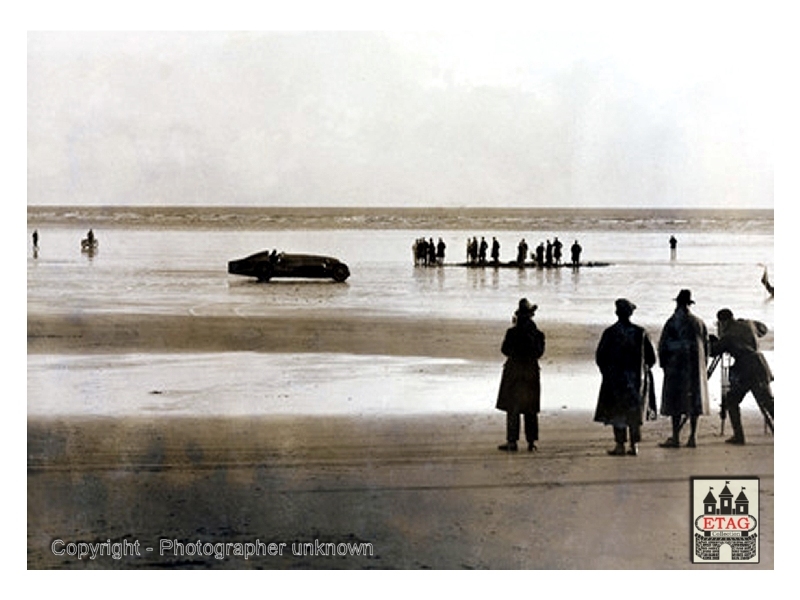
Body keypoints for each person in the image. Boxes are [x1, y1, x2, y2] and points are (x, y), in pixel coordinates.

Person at [594, 299, 656, 456]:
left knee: (618, 412)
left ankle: (620, 445)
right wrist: (644, 370)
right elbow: (652, 358)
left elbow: (600, 357)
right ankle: (634, 445)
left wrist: (606, 373)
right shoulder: (641, 332)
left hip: (615, 379)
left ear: (617, 313)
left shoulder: (610, 333)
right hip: (636, 379)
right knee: (634, 412)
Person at [709, 309, 774, 445]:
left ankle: (739, 436)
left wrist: (714, 340)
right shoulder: (748, 323)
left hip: (745, 370)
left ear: (723, 322)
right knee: (768, 402)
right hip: (760, 364)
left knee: (732, 400)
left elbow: (713, 351)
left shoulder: (728, 336)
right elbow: (763, 328)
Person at [657, 289, 710, 448]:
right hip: (695, 369)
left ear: (678, 304)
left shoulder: (672, 322)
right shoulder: (699, 322)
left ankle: (676, 437)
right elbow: (706, 347)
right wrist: (703, 365)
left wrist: (663, 364)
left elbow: (663, 346)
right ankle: (693, 437)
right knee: (694, 402)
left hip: (676, 368)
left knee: (675, 404)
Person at [495, 298, 545, 452]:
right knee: (530, 409)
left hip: (514, 371)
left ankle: (512, 441)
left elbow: (505, 350)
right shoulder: (538, 334)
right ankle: (531, 442)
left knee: (513, 408)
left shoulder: (512, 332)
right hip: (530, 371)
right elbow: (539, 353)